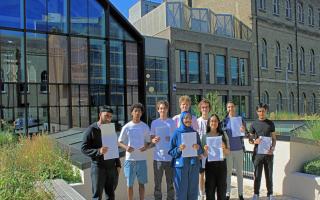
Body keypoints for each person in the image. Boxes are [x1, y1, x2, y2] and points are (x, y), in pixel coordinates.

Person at [81, 106, 121, 200]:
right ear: (100, 115)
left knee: (111, 195)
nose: (108, 119)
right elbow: (83, 148)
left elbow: (114, 147)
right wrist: (98, 151)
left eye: (110, 117)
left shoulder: (110, 129)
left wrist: (118, 164)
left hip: (112, 168)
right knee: (97, 196)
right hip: (98, 167)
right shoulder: (91, 129)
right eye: (106, 116)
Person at [118, 103, 151, 200]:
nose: (137, 113)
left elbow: (149, 142)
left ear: (142, 113)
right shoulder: (126, 127)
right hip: (129, 160)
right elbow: (119, 142)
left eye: (139, 111)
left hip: (142, 159)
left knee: (142, 184)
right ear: (131, 113)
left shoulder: (145, 127)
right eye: (135, 111)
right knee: (129, 184)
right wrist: (126, 147)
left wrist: (145, 147)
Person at [168, 111, 203, 200]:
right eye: (186, 118)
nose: (188, 120)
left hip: (193, 165)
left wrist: (197, 147)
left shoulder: (195, 133)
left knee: (193, 190)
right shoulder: (176, 133)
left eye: (190, 118)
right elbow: (171, 151)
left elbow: (200, 151)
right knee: (181, 191)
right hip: (180, 166)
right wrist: (179, 149)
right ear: (182, 119)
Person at [249, 103, 276, 200]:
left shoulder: (270, 123)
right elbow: (250, 139)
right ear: (257, 112)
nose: (261, 113)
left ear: (266, 111)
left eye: (263, 111)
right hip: (257, 154)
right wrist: (254, 141)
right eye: (259, 111)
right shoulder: (253, 124)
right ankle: (256, 194)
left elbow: (273, 138)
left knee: (269, 175)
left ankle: (270, 194)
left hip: (268, 154)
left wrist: (272, 148)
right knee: (257, 175)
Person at [150, 100, 175, 200]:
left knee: (170, 183)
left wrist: (171, 138)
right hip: (158, 158)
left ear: (167, 109)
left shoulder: (172, 122)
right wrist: (154, 139)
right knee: (157, 184)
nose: (162, 110)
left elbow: (176, 138)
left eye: (164, 108)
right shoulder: (154, 123)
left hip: (170, 158)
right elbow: (151, 137)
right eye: (160, 108)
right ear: (158, 110)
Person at [222, 101, 246, 200]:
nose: (230, 108)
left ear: (234, 108)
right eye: (228, 107)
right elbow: (221, 136)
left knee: (240, 173)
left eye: (232, 106)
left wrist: (243, 130)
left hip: (239, 149)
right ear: (226, 109)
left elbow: (246, 134)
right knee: (228, 173)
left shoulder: (240, 120)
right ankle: (227, 194)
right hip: (228, 151)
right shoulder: (224, 121)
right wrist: (224, 148)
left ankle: (240, 194)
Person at [203, 114, 230, 200]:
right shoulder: (205, 136)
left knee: (222, 190)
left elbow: (228, 152)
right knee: (210, 190)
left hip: (221, 165)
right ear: (208, 123)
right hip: (210, 165)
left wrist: (224, 148)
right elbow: (203, 155)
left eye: (215, 121)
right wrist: (205, 151)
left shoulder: (223, 135)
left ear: (218, 123)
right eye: (211, 121)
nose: (213, 123)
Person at [197, 99, 211, 200]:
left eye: (206, 107)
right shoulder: (197, 121)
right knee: (201, 174)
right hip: (201, 153)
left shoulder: (213, 121)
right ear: (200, 109)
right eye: (203, 107)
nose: (204, 109)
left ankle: (209, 193)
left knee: (210, 175)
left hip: (211, 153)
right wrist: (199, 152)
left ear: (209, 108)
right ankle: (201, 194)